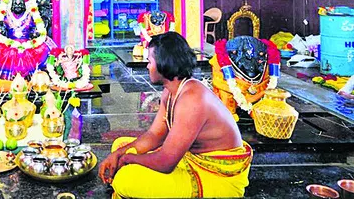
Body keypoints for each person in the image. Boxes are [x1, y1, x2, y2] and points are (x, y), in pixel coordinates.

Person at [99, 31, 253, 198]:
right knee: (120, 145)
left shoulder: (192, 99)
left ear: (163, 63)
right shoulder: (171, 90)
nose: (147, 66)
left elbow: (166, 163)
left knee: (126, 179)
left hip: (217, 176)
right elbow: (154, 135)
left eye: (149, 61)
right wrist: (118, 155)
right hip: (192, 159)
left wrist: (128, 159)